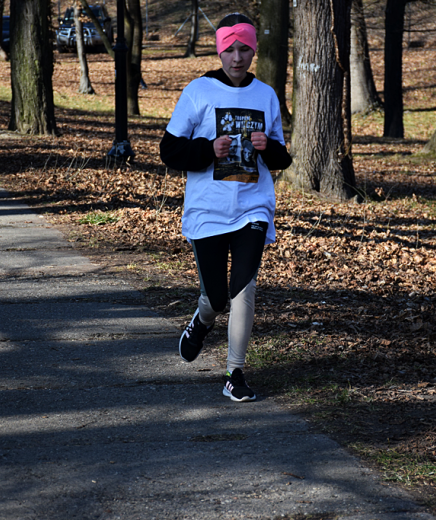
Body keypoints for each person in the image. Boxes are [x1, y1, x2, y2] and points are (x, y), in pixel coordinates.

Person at [159, 13, 292, 402]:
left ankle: (235, 373)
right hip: (208, 210)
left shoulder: (265, 95)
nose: (237, 57)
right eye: (230, 49)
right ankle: (202, 321)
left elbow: (282, 158)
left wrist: (270, 147)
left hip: (252, 207)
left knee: (243, 290)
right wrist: (206, 149)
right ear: (219, 50)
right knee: (217, 298)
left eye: (245, 49)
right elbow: (169, 150)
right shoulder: (198, 91)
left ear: (254, 50)